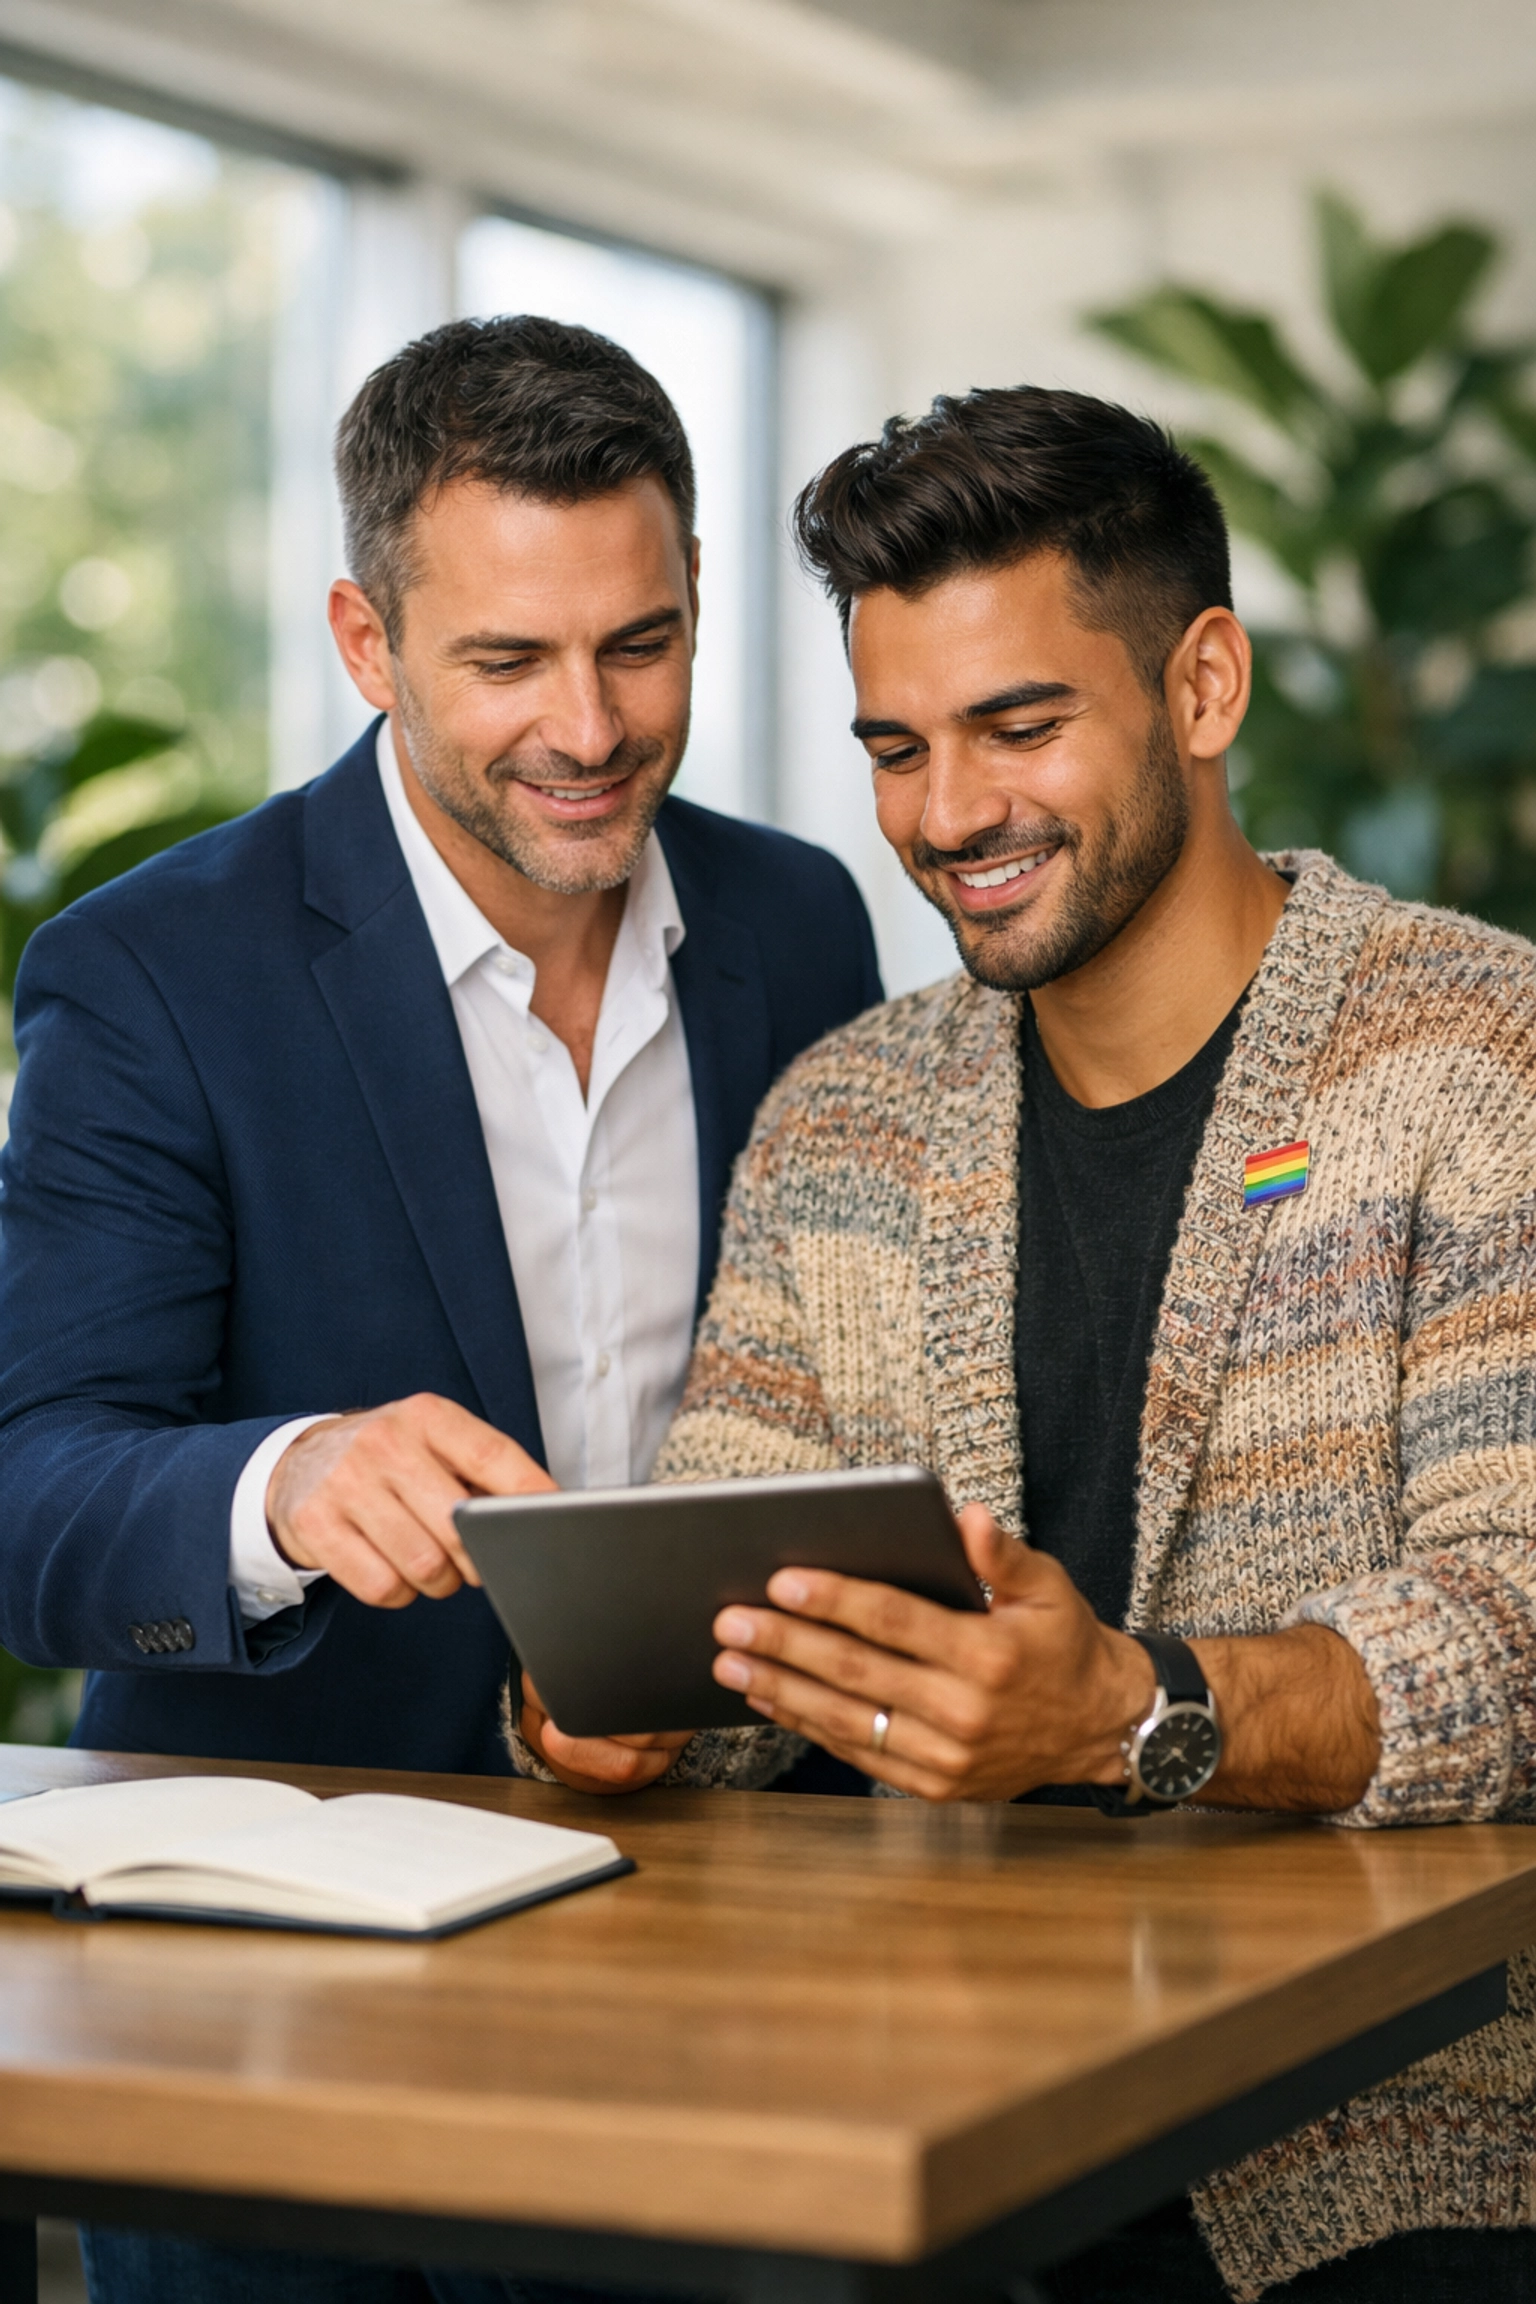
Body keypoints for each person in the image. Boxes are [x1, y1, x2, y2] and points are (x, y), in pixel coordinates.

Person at [0, 314, 880, 2303]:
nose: (590, 726)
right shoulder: (152, 975)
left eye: (640, 644)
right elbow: (30, 1490)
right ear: (367, 642)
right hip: (276, 2014)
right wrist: (286, 1484)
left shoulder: (798, 922)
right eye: (506, 662)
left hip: (723, 1950)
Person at [634, 387, 1536, 2301]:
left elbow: (1519, 1636)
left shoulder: (1485, 1061)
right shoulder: (842, 1122)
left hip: (1400, 2157)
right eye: (897, 749)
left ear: (1202, 686)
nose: (948, 815)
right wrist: (613, 1706)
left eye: (1020, 727)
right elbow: (729, 1609)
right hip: (940, 2122)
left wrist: (1135, 1708)